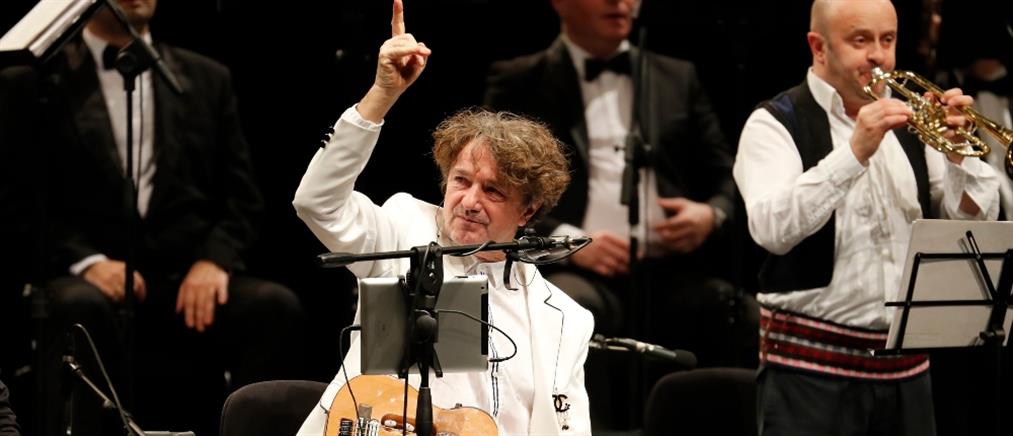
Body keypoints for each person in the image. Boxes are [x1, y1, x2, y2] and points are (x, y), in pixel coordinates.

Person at [293, 1, 592, 434]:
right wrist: (382, 95)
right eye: (461, 181)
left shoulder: (565, 319)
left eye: (493, 191)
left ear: (528, 210)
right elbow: (317, 202)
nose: (470, 201)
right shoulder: (404, 228)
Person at [23, 0, 304, 434]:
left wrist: (213, 261)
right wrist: (88, 262)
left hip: (180, 275)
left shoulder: (207, 76)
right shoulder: (42, 80)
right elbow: (22, 198)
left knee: (274, 306)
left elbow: (242, 198)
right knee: (80, 307)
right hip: (91, 275)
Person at [732, 1, 1001, 435]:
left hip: (907, 373)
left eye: (887, 40)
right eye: (860, 40)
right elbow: (771, 230)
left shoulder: (913, 122)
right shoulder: (774, 123)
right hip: (809, 374)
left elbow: (969, 222)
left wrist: (958, 157)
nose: (878, 55)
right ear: (818, 47)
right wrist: (855, 152)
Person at [483, 0, 749, 368]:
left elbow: (729, 176)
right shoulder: (521, 80)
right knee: (560, 310)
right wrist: (567, 241)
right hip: (572, 269)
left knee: (739, 314)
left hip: (671, 270)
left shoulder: (677, 76)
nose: (619, 1)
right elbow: (493, 186)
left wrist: (711, 214)